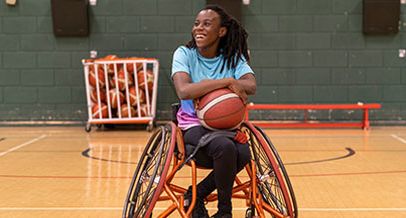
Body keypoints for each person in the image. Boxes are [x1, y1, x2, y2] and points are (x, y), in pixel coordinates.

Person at [171, 4, 256, 218]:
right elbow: (184, 91)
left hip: (227, 126)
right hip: (193, 127)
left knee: (244, 153)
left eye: (207, 24)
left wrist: (233, 83)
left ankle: (197, 194)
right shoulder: (184, 54)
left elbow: (251, 86)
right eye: (197, 23)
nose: (199, 28)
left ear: (222, 31)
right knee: (225, 147)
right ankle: (224, 212)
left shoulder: (233, 58)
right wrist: (227, 81)